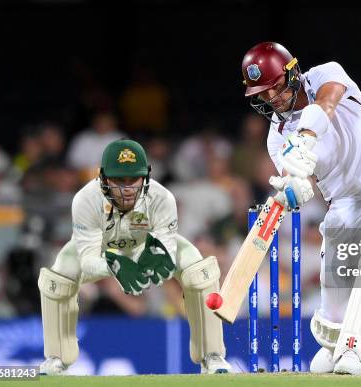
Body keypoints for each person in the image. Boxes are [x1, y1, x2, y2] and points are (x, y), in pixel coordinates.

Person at [241, 42, 361, 374]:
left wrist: (307, 137)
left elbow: (328, 102)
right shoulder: (276, 137)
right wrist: (294, 188)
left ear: (293, 73)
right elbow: (297, 181)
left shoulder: (325, 73)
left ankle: (356, 349)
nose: (272, 98)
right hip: (345, 209)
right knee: (333, 321)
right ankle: (336, 341)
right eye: (263, 93)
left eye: (276, 87)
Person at [38, 139, 231, 375]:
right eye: (119, 180)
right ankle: (57, 358)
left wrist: (152, 265)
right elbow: (87, 262)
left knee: (199, 271)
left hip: (147, 245)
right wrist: (115, 265)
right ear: (102, 177)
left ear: (147, 176)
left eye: (133, 179)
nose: (127, 188)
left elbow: (167, 252)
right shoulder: (85, 199)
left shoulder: (162, 198)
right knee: (59, 276)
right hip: (102, 249)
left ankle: (212, 356)